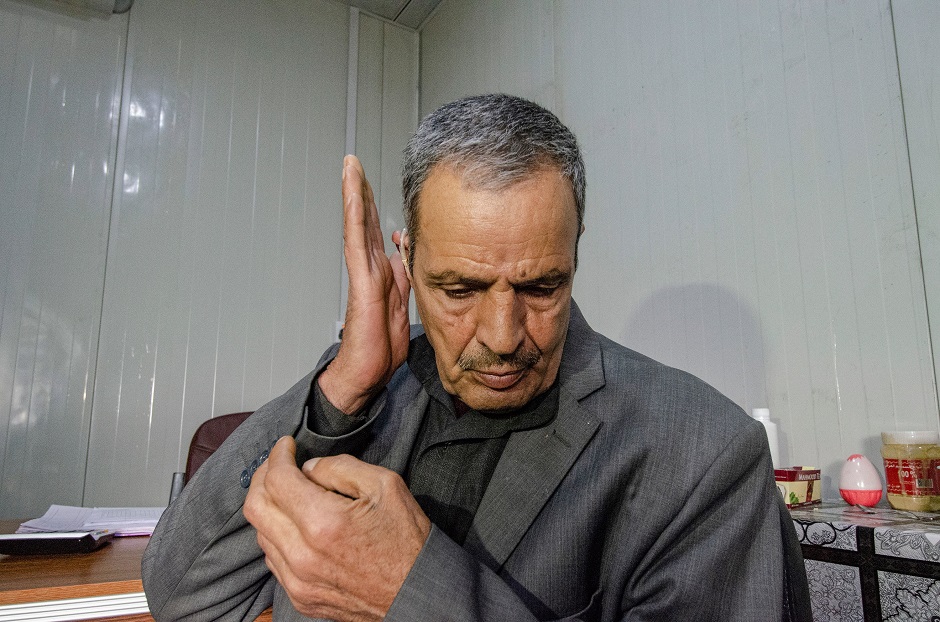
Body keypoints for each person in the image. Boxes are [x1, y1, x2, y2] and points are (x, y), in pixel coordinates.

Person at [142, 94, 810, 621]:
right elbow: (182, 597)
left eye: (541, 286)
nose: (501, 334)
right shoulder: (358, 393)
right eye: (459, 289)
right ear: (405, 261)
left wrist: (413, 594)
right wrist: (343, 385)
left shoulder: (702, 455)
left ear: (574, 255)